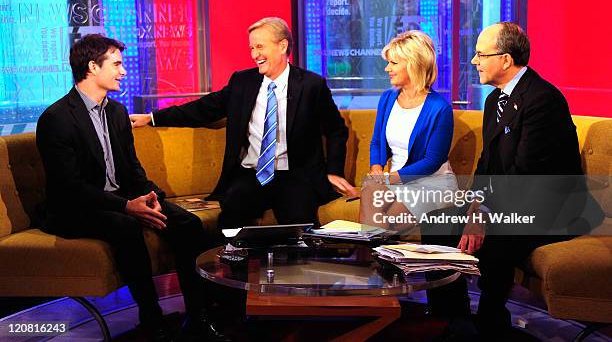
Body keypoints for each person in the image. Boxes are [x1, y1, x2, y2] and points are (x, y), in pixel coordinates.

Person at [36, 34, 229, 342]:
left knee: (188, 224)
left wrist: (153, 197)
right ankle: (151, 319)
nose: (124, 71)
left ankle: (198, 316)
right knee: (126, 225)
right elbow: (69, 188)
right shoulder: (56, 119)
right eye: (117, 64)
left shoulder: (116, 112)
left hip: (121, 198)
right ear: (92, 67)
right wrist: (128, 206)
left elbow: (132, 169)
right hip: (75, 208)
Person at [424, 22, 603, 338]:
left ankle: (491, 323)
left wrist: (484, 216)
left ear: (505, 60)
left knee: (497, 236)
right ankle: (453, 318)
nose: (474, 61)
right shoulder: (495, 100)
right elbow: (487, 164)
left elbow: (525, 175)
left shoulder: (542, 101)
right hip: (510, 201)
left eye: (481, 54)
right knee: (436, 223)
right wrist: (475, 205)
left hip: (552, 207)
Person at [130, 17, 357, 229]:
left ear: (282, 46)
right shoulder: (243, 81)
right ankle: (230, 269)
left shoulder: (311, 85)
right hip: (251, 174)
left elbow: (336, 130)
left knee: (299, 224)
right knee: (231, 218)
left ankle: (295, 269)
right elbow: (204, 108)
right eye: (251, 48)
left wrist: (334, 172)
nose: (254, 54)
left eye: (260, 47)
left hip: (295, 174)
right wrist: (152, 118)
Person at [359, 30, 457, 233]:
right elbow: (377, 142)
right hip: (394, 179)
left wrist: (388, 179)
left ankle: (372, 259)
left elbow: (432, 161)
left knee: (389, 221)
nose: (387, 69)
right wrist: (376, 168)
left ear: (414, 64)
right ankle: (376, 260)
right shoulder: (387, 98)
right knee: (369, 190)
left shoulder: (439, 108)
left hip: (431, 182)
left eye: (393, 63)